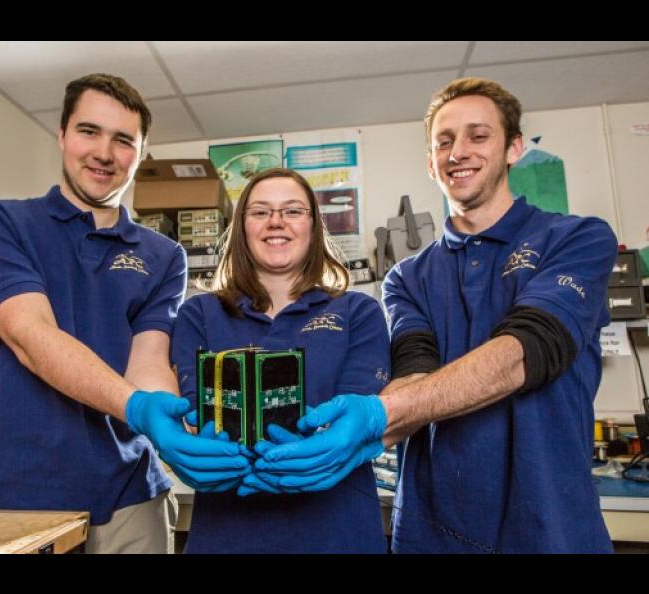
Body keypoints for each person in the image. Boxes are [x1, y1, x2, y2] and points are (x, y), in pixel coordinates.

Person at [246, 78, 617, 554]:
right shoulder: (407, 277)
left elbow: (524, 354)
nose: (458, 152)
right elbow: (413, 371)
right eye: (444, 141)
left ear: (514, 148)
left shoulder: (576, 239)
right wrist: (338, 438)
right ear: (430, 162)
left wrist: (380, 414)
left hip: (552, 523)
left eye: (478, 136)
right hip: (434, 529)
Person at [0, 73, 249, 553]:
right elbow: (29, 334)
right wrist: (136, 408)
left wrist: (173, 427)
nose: (104, 153)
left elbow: (147, 361)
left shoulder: (164, 255)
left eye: (123, 140)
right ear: (63, 134)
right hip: (11, 489)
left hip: (129, 495)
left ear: (140, 153)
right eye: (89, 131)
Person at [170, 168, 390, 553]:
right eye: (260, 211)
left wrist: (318, 445)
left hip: (336, 534)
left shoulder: (359, 312)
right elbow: (193, 418)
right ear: (241, 227)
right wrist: (188, 440)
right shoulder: (199, 314)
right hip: (227, 536)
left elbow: (354, 413)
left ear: (313, 225)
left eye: (292, 211)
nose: (276, 222)